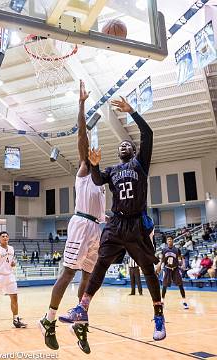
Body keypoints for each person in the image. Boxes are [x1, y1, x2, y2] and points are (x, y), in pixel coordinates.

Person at [59, 96, 166, 346]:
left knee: (148, 270)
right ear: (117, 154)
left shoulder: (141, 164)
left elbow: (147, 134)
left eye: (128, 144)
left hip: (137, 224)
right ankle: (82, 307)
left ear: (133, 151)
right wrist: (95, 166)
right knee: (100, 265)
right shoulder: (113, 171)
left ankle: (158, 314)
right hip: (116, 224)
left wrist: (132, 112)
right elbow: (96, 181)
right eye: (121, 146)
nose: (124, 146)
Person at [38, 80, 105, 353]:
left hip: (97, 228)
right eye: (88, 153)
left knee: (87, 279)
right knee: (68, 273)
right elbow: (81, 136)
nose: (91, 153)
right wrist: (81, 104)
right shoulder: (85, 169)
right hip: (80, 224)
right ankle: (49, 319)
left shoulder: (102, 180)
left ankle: (79, 321)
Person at [156, 235, 189, 310]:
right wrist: (159, 266)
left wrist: (183, 264)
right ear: (167, 241)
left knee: (180, 285)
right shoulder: (164, 250)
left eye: (170, 239)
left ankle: (184, 301)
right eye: (168, 240)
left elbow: (181, 258)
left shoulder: (177, 249)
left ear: (173, 241)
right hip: (167, 269)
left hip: (176, 269)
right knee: (164, 285)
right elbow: (162, 259)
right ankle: (162, 301)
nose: (169, 241)